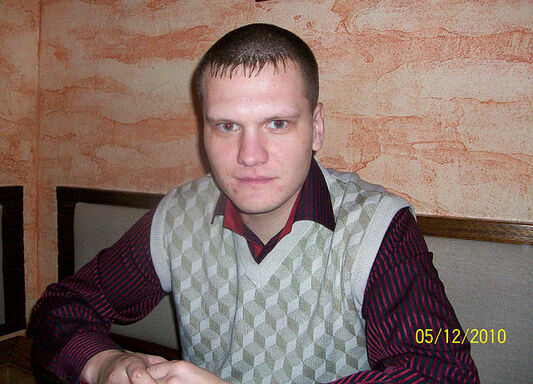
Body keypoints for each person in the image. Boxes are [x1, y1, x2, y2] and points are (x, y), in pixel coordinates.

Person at [28, 23, 479, 384]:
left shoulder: (376, 228)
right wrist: (104, 364)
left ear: (317, 128)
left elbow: (441, 371)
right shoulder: (179, 216)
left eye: (277, 123)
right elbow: (61, 309)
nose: (249, 155)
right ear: (203, 131)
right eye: (227, 126)